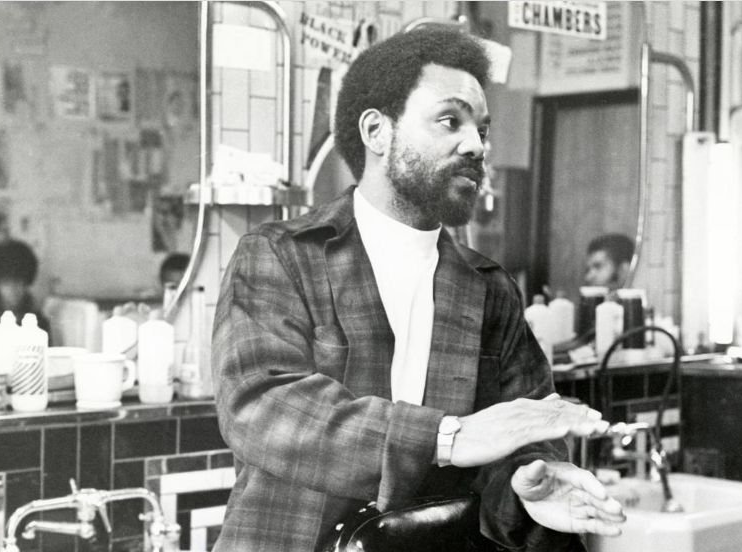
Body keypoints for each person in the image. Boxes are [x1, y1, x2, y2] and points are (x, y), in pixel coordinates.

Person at [212, 28, 624, 551]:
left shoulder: (488, 289)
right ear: (377, 132)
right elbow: (261, 406)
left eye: (482, 129)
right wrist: (449, 436)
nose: (476, 145)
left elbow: (523, 433)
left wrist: (530, 484)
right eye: (450, 120)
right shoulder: (280, 255)